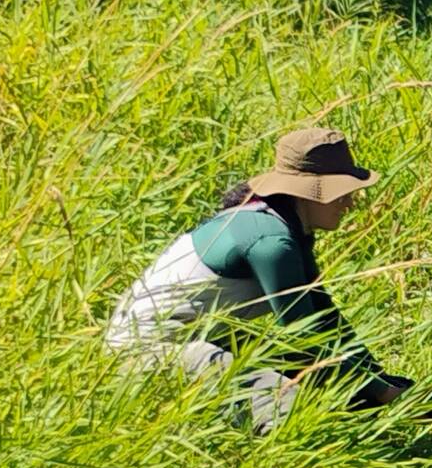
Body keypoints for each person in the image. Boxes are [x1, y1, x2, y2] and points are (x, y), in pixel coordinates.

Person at [106, 127, 406, 430]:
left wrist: (378, 378)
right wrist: (379, 390)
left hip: (199, 338)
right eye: (342, 193)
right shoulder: (271, 243)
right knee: (285, 405)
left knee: (332, 385)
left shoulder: (286, 227)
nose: (350, 203)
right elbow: (306, 336)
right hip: (146, 352)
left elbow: (325, 318)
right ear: (308, 192)